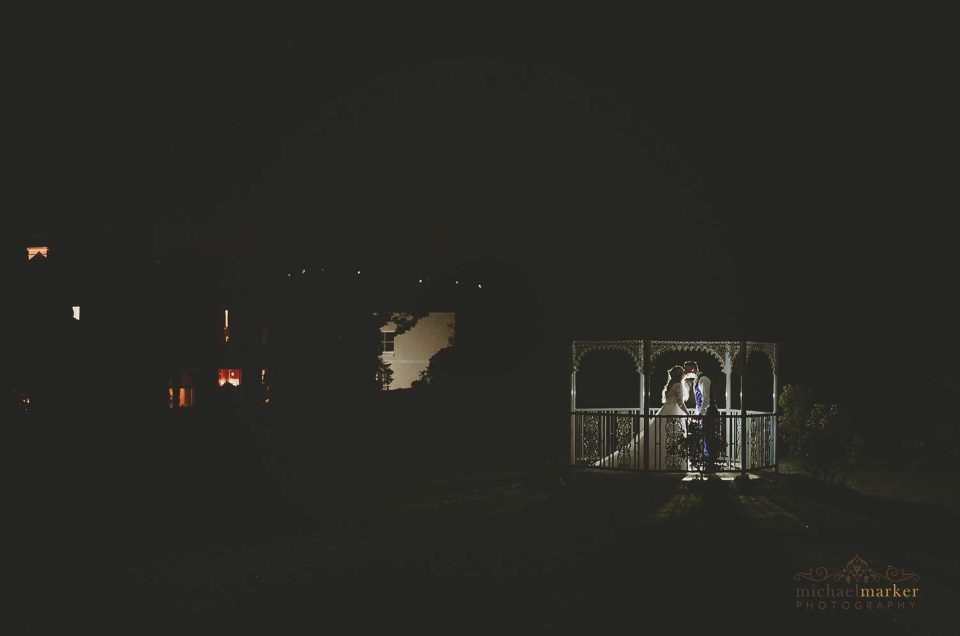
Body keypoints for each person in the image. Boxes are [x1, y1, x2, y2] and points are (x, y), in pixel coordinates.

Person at [592, 365, 689, 469]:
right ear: (679, 374)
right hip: (673, 412)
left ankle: (666, 461)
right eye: (683, 372)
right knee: (671, 437)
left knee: (661, 437)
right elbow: (680, 403)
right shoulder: (678, 385)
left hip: (665, 410)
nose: (684, 373)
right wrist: (688, 414)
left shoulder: (671, 384)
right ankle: (669, 463)